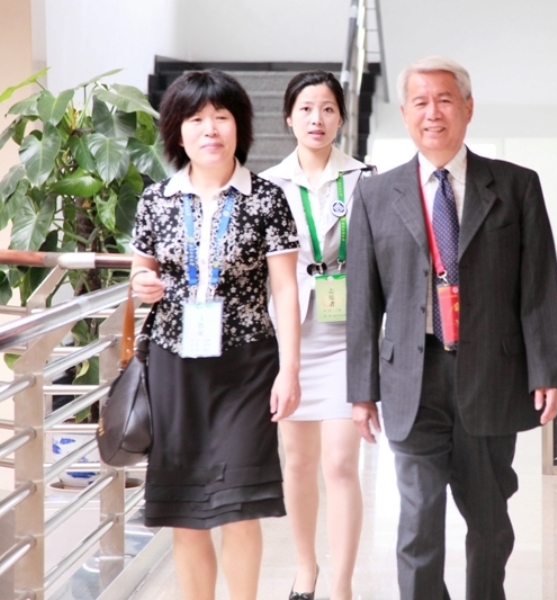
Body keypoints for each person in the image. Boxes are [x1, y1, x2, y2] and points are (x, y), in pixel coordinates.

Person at [347, 56, 557, 600]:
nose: (433, 113)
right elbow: (363, 301)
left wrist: (548, 370)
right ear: (405, 113)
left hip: (490, 375)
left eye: (445, 100)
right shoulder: (376, 194)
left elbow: (539, 287)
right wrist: (361, 391)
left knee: (489, 522)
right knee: (418, 522)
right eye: (420, 102)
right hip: (412, 379)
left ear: (468, 108)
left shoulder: (516, 186)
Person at [130, 70, 301, 600]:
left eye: (221, 118)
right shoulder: (156, 200)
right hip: (174, 366)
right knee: (186, 511)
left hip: (247, 366)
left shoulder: (267, 198)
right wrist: (142, 284)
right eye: (196, 119)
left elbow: (285, 289)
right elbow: (140, 273)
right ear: (177, 132)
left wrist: (290, 371)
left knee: (239, 505)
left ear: (238, 127)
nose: (210, 130)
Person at [260, 70, 370, 600]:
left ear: (341, 118)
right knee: (299, 462)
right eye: (306, 109)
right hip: (292, 336)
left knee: (341, 463)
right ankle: (306, 569)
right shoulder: (267, 185)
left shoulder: (366, 178)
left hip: (349, 333)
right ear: (289, 117)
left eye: (327, 109)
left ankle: (342, 583)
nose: (316, 119)